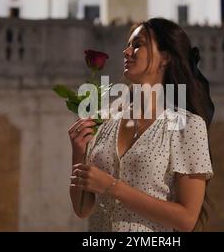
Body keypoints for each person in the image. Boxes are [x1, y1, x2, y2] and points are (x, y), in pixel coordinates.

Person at [68, 18, 215, 232]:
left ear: (165, 57)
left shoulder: (187, 126)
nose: (127, 52)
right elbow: (82, 209)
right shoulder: (105, 119)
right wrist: (78, 153)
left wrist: (112, 187)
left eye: (138, 45)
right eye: (128, 45)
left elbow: (186, 219)